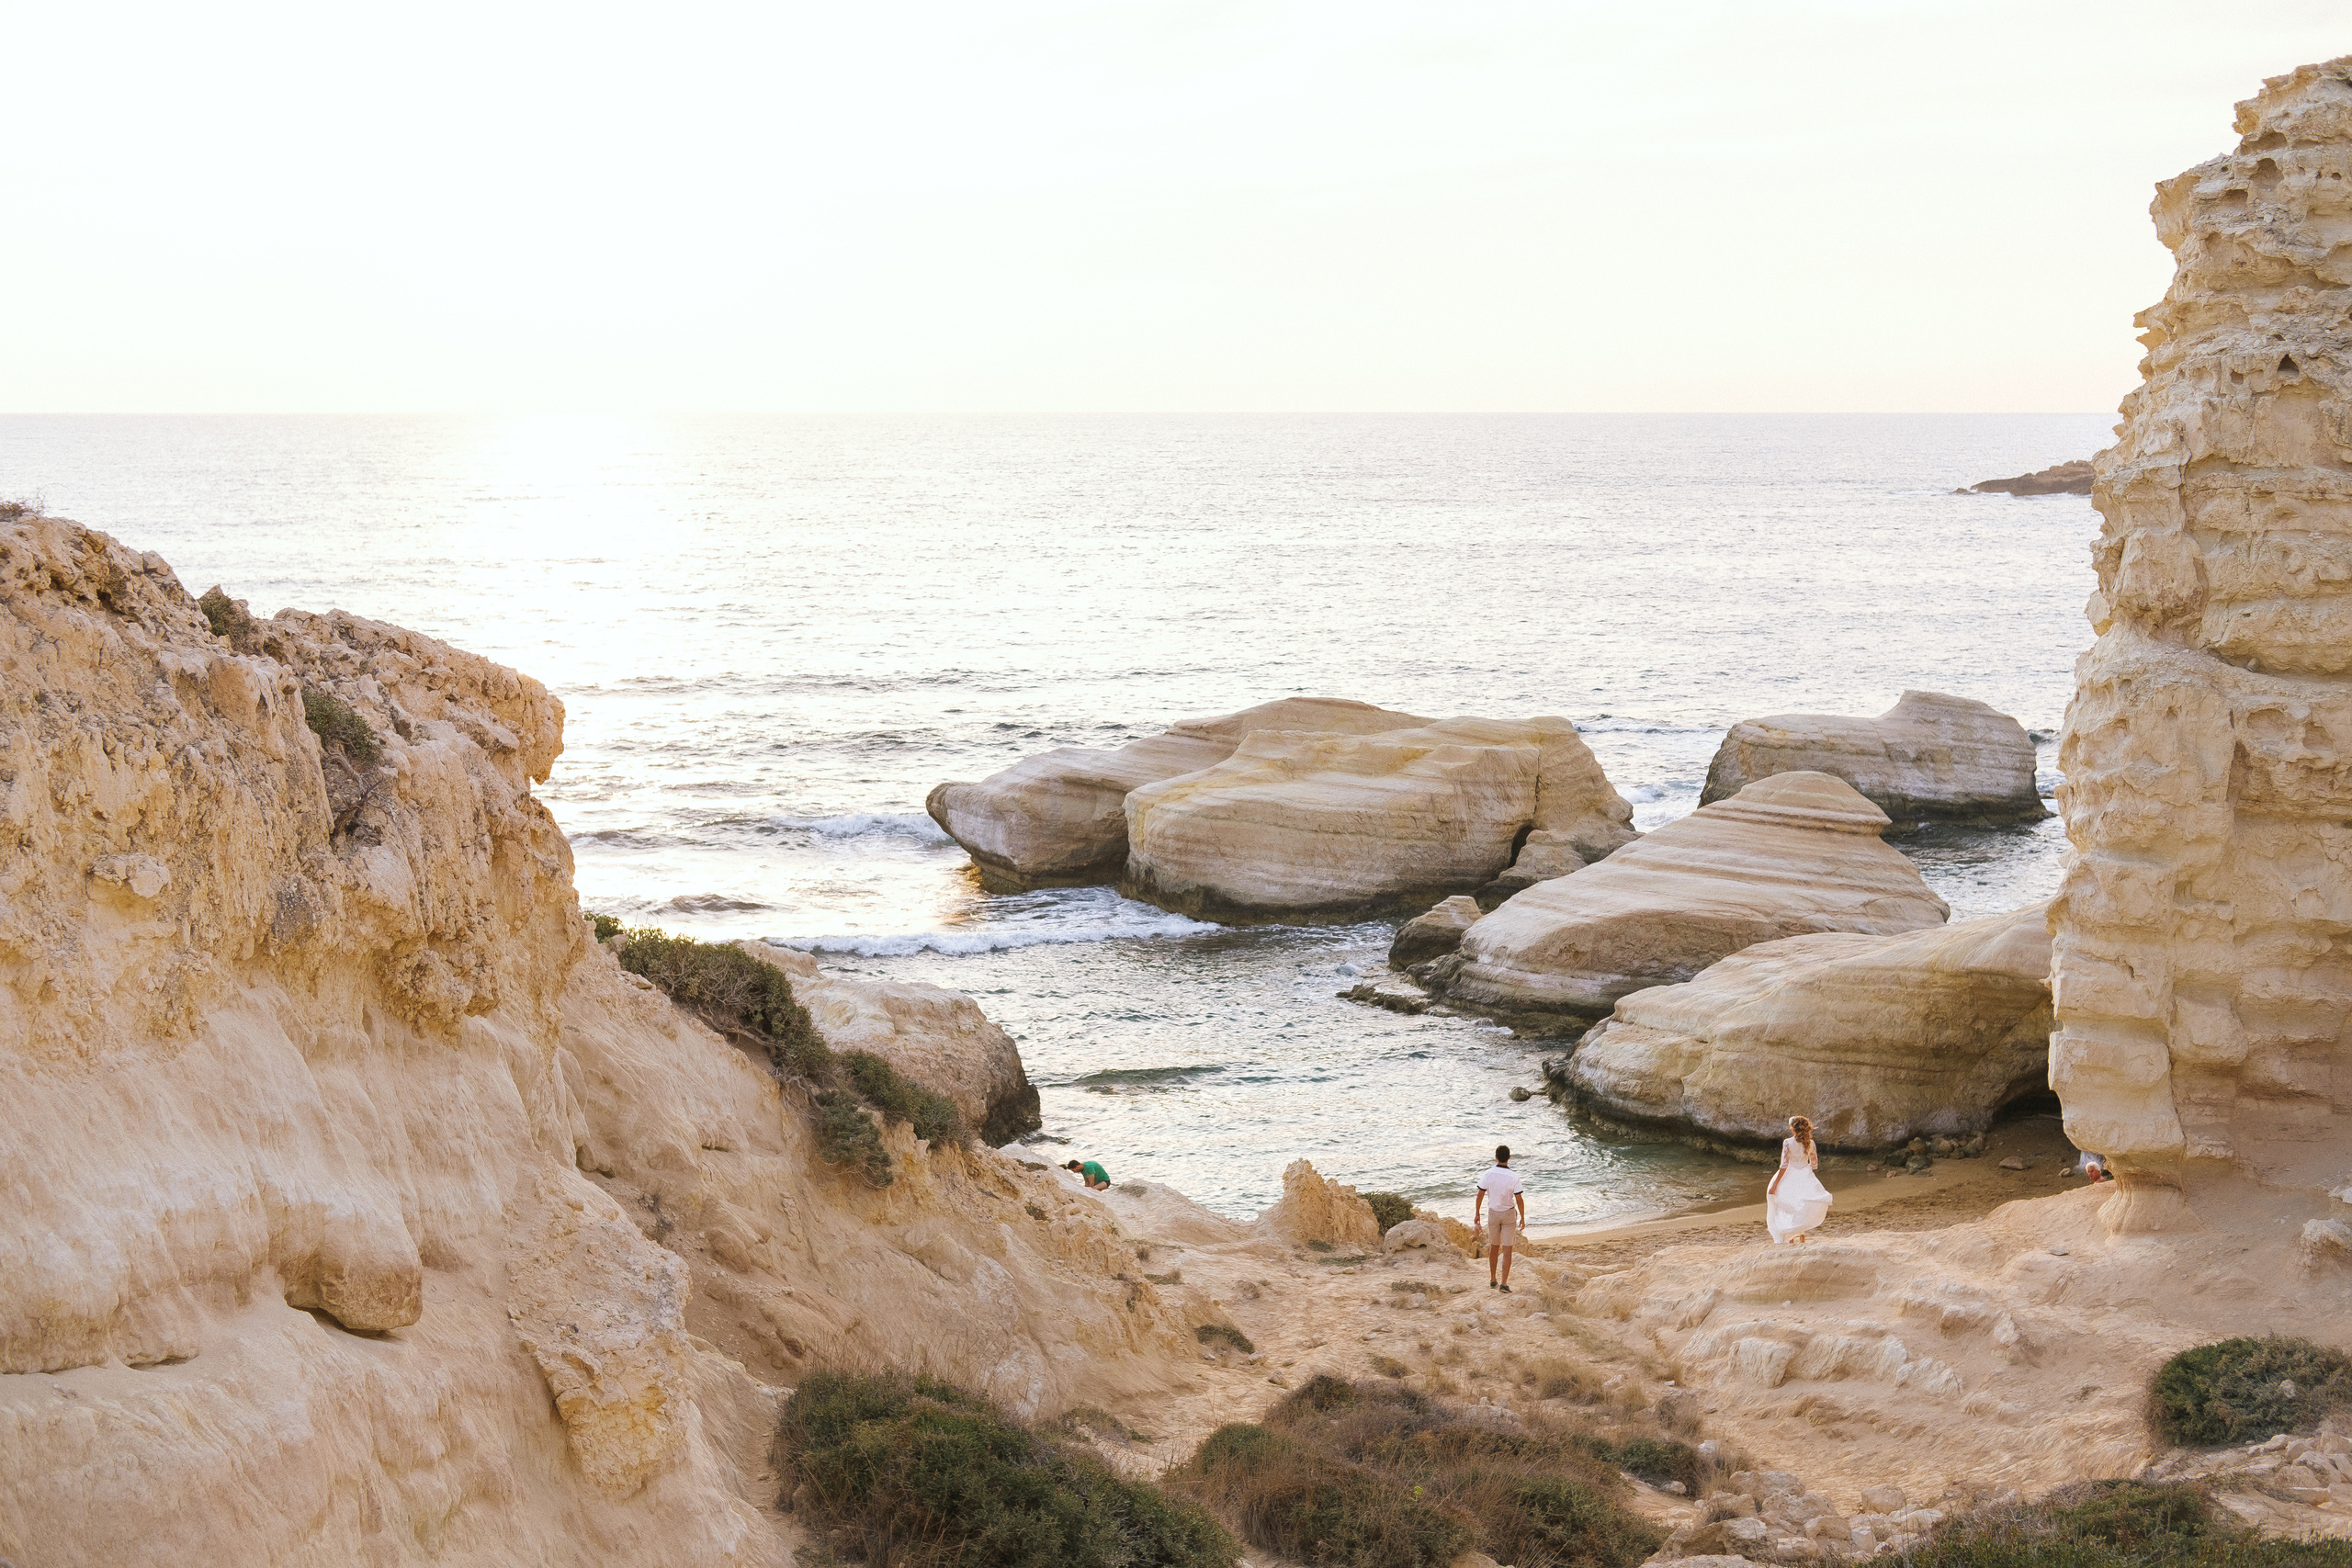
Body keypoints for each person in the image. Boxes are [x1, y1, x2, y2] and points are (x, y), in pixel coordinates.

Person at [1766, 1115, 1832, 1244]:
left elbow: (1784, 1165)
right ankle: (1801, 1235)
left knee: (1786, 1205)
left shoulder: (1788, 1142)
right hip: (1805, 1176)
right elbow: (1814, 1165)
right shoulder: (1811, 1143)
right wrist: (1805, 1171)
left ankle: (1790, 1238)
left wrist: (1775, 1184)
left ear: (1792, 1129)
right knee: (1801, 1206)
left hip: (1789, 1176)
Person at [1471, 1144, 1527, 1292]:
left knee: (1494, 1247)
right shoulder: (1514, 1177)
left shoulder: (1487, 1174)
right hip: (1508, 1214)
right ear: (1509, 1158)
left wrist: (1477, 1213)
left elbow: (1480, 1194)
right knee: (1507, 1250)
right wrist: (1522, 1217)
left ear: (1496, 1157)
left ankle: (1493, 1278)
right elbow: (1519, 1198)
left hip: (1493, 1214)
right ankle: (1504, 1283)